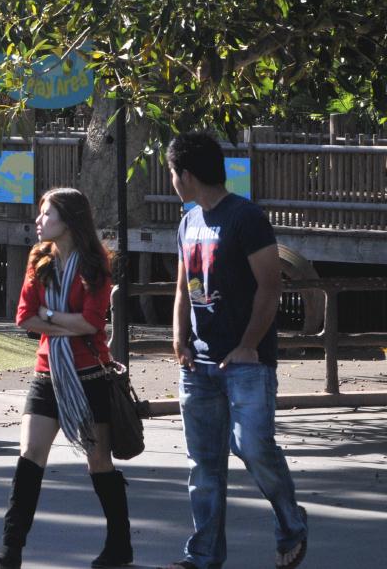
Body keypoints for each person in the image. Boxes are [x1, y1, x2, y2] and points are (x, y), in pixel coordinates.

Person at [162, 133, 307, 569]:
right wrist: (178, 336)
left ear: (185, 175)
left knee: (252, 446)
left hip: (246, 362)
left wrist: (248, 345)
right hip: (199, 363)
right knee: (203, 467)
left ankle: (290, 523)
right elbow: (183, 283)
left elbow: (270, 284)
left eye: (172, 173)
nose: (172, 181)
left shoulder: (246, 217)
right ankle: (202, 555)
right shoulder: (189, 221)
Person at [0, 187, 131, 569]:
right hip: (47, 373)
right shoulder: (39, 258)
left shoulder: (95, 263)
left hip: (90, 376)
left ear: (68, 220)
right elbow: (24, 318)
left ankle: (119, 546)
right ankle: (11, 549)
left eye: (46, 214)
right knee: (30, 454)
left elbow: (92, 322)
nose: (38, 221)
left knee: (98, 461)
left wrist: (50, 317)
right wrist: (63, 322)